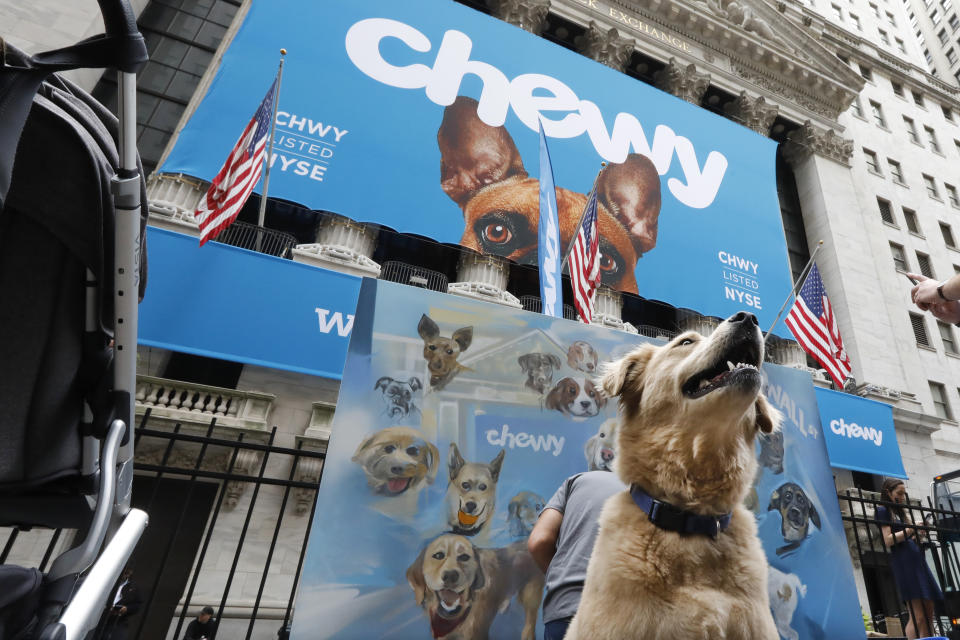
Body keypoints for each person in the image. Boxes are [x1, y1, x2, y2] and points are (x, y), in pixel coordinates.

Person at [528, 469, 626, 640]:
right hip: (620, 616)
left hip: (564, 609)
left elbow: (538, 541)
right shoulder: (653, 496)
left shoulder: (577, 481)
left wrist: (561, 576)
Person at [876, 477, 943, 640]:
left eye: (904, 493)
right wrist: (911, 528)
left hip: (916, 560)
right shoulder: (882, 510)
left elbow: (906, 537)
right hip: (904, 563)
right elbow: (888, 540)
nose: (903, 497)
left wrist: (917, 533)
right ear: (888, 493)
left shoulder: (899, 512)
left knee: (929, 609)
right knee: (917, 615)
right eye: (899, 493)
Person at [100, 567, 141, 640]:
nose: (125, 576)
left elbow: (137, 605)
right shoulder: (105, 582)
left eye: (127, 573)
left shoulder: (133, 588)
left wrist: (126, 609)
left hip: (117, 621)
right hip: (100, 618)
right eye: (124, 573)